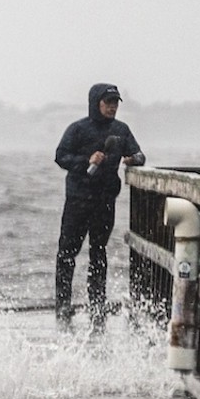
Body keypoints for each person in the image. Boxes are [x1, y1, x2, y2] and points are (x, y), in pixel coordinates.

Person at [53, 83, 145, 328]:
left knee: (99, 252)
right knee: (67, 253)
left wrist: (133, 159)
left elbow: (139, 154)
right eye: (108, 103)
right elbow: (61, 156)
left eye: (115, 103)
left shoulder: (121, 130)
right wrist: (87, 160)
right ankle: (63, 304)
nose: (112, 107)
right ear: (96, 103)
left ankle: (97, 303)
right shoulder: (78, 129)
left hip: (105, 201)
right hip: (78, 200)